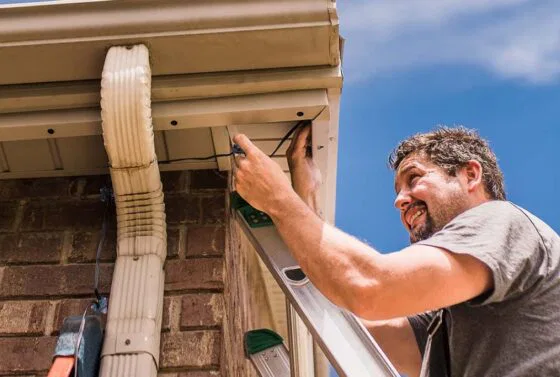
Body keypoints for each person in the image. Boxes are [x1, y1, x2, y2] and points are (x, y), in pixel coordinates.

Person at [232, 125, 560, 377]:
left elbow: (370, 287)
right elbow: (351, 317)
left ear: (470, 174)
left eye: (414, 178)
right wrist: (307, 198)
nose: (400, 200)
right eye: (398, 190)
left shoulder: (499, 221)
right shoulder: (451, 320)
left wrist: (279, 201)